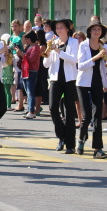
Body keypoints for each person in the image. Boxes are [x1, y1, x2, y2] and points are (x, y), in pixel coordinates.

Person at [76, 20, 107, 158]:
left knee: (98, 116)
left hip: (97, 81)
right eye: (94, 29)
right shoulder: (83, 45)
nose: (97, 32)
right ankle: (81, 140)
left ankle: (98, 148)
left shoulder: (104, 46)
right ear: (90, 31)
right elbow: (81, 66)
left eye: (99, 30)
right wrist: (96, 57)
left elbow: (104, 67)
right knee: (87, 116)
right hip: (83, 82)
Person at [43, 19, 78, 154]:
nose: (59, 30)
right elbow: (46, 64)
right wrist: (48, 52)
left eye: (62, 27)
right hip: (55, 79)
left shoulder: (74, 42)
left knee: (69, 111)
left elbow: (74, 59)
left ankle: (70, 144)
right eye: (57, 28)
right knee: (52, 108)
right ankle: (61, 137)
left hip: (69, 79)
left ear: (68, 29)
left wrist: (57, 51)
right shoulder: (54, 42)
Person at [19, 30, 41, 119]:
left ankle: (32, 111)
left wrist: (22, 54)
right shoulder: (29, 46)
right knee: (27, 91)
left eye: (27, 38)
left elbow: (31, 59)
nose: (26, 40)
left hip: (32, 71)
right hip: (26, 70)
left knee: (30, 92)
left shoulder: (35, 47)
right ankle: (29, 109)